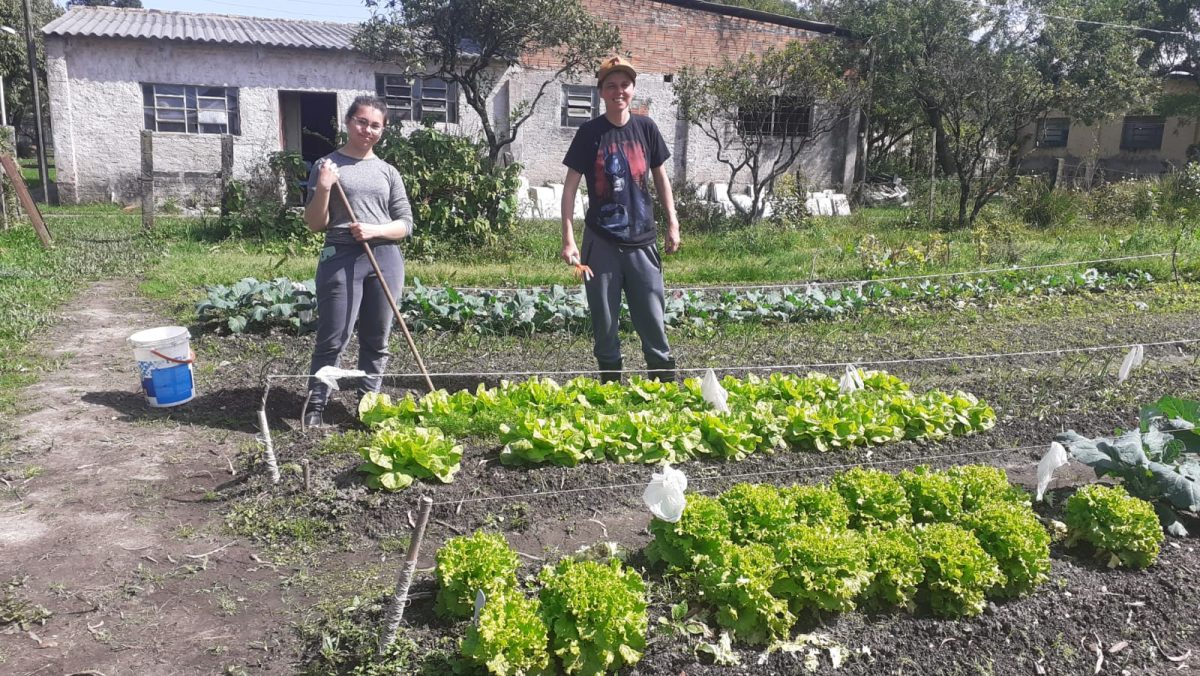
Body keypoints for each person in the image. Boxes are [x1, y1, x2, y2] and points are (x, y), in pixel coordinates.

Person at [561, 55, 682, 384]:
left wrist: (673, 222)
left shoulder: (646, 128)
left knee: (653, 320)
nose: (619, 91)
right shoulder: (589, 133)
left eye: (624, 85)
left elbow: (661, 179)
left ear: (633, 89)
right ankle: (610, 393)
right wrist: (568, 238)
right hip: (600, 244)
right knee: (605, 324)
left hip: (643, 241)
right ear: (601, 92)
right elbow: (570, 188)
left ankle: (663, 391)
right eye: (611, 85)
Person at [302, 95, 413, 427]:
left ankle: (369, 406)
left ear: (383, 129)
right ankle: (315, 406)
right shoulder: (327, 166)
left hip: (385, 257)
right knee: (334, 336)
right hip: (342, 255)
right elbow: (314, 223)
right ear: (348, 122)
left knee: (377, 337)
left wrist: (374, 229)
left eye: (375, 125)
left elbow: (405, 223)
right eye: (362, 121)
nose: (368, 129)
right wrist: (323, 189)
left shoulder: (388, 172)